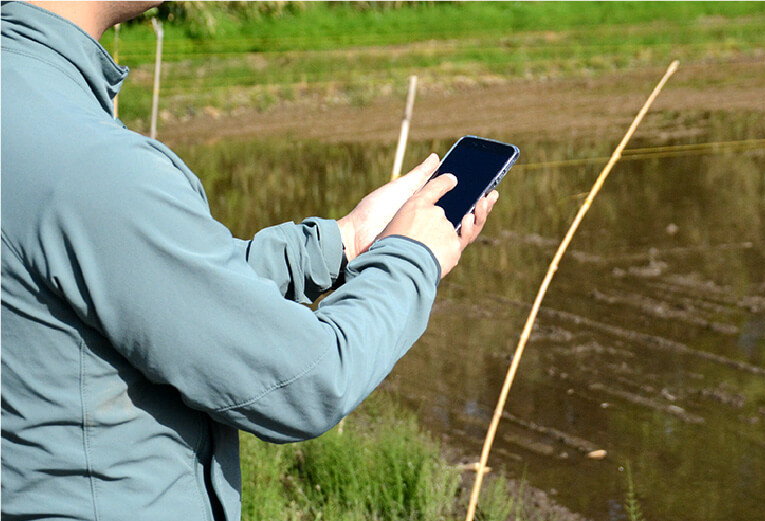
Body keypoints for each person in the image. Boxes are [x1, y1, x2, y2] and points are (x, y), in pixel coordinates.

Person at [0, 2, 499, 520]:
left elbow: (156, 288)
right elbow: (306, 382)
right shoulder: (93, 166)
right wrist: (409, 258)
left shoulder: (24, 99)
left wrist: (344, 240)